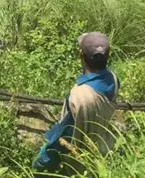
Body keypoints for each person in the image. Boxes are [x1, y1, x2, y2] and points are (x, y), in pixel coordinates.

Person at [33, 32, 119, 175]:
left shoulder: (78, 97)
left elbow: (61, 138)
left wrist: (40, 164)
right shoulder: (113, 79)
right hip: (103, 152)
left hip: (80, 164)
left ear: (81, 54)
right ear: (108, 55)